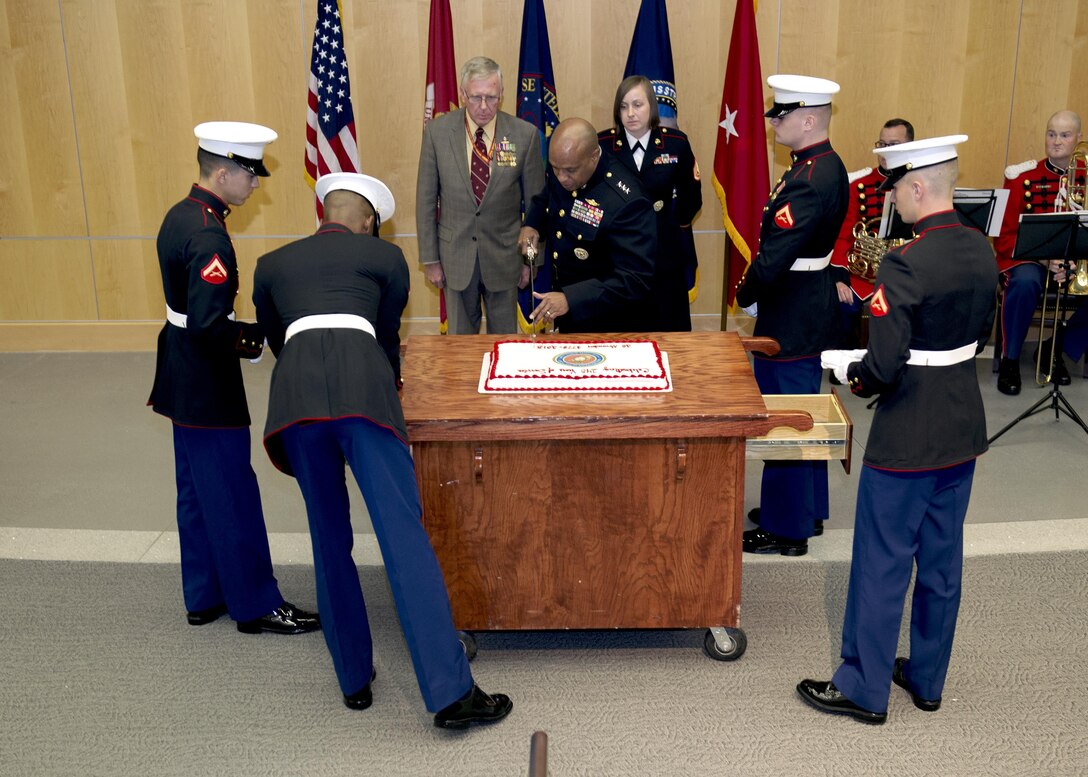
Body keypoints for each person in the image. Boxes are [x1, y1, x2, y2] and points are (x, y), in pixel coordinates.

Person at [252, 173, 512, 729]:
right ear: (369, 221)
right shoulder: (386, 259)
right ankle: (449, 693)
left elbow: (278, 339)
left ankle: (354, 682)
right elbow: (384, 332)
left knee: (328, 540)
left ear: (322, 212)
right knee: (403, 539)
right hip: (364, 396)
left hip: (295, 404)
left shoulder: (271, 264)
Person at [803, 136, 997, 724]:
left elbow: (883, 366)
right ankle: (928, 678)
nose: (895, 203)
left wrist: (847, 371)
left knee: (883, 560)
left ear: (918, 188)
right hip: (961, 424)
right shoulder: (982, 248)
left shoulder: (907, 262)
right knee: (941, 561)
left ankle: (863, 688)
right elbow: (978, 340)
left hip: (908, 433)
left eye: (897, 191)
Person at [148, 122, 320, 636]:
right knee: (232, 493)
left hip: (180, 371)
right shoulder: (209, 235)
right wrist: (250, 338)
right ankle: (255, 603)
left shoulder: (182, 213)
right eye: (250, 174)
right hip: (206, 380)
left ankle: (204, 595)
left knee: (197, 490)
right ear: (222, 172)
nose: (255, 183)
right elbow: (207, 325)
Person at [736, 75, 848, 557]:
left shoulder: (806, 180)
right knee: (807, 408)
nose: (774, 122)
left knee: (786, 416)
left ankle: (786, 529)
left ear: (808, 119)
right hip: (806, 299)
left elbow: (776, 255)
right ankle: (807, 510)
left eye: (781, 115)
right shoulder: (822, 165)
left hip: (791, 308)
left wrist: (745, 292)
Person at [415, 56, 546, 334]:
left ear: (502, 94)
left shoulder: (525, 135)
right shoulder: (437, 133)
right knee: (460, 346)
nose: (484, 106)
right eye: (476, 97)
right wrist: (430, 259)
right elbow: (426, 200)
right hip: (455, 258)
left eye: (491, 97)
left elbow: (537, 205)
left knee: (505, 346)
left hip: (505, 258)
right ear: (463, 94)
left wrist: (530, 261)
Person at [519, 118, 656, 332]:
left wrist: (570, 299)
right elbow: (546, 198)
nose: (562, 177)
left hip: (611, 324)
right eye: (555, 169)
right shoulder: (564, 166)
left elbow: (635, 279)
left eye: (569, 171)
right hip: (569, 315)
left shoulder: (627, 201)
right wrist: (531, 225)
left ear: (593, 156)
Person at [598, 75, 702, 331]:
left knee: (670, 335)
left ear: (652, 107)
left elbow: (691, 197)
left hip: (663, 257)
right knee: (621, 339)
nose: (630, 113)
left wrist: (669, 226)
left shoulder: (676, 143)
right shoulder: (602, 146)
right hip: (618, 259)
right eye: (623, 106)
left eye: (637, 104)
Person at [993, 110, 1084, 394]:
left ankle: (1054, 348)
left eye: (1065, 135)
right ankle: (1011, 360)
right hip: (1030, 261)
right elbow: (1005, 237)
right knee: (1025, 282)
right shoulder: (1022, 178)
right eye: (1051, 134)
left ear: (1078, 139)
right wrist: (1046, 259)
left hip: (1076, 260)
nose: (1056, 141)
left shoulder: (1086, 177)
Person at [829, 118, 914, 349]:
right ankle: (845, 355)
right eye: (881, 144)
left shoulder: (919, 184)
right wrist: (839, 278)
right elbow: (843, 236)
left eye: (893, 145)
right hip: (863, 277)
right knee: (844, 305)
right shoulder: (859, 185)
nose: (884, 152)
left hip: (906, 272)